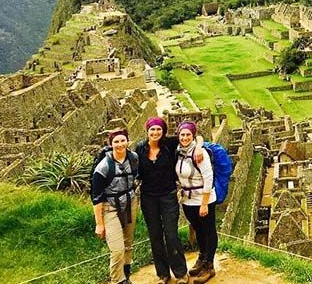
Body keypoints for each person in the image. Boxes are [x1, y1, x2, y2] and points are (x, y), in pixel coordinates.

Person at [135, 117, 203, 284]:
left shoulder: (170, 144)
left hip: (168, 195)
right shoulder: (140, 149)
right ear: (147, 131)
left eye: (159, 129)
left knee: (171, 234)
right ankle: (163, 274)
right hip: (148, 197)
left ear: (163, 131)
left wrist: (199, 147)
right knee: (155, 235)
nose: (155, 132)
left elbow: (197, 136)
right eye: (152, 129)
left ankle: (180, 273)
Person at [91, 128, 138, 284]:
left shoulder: (133, 158)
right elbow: (96, 197)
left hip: (130, 203)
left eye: (122, 140)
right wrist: (99, 224)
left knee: (128, 244)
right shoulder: (103, 167)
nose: (120, 144)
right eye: (116, 141)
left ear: (127, 141)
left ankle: (126, 277)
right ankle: (117, 280)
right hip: (109, 207)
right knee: (117, 249)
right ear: (111, 144)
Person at [176, 121, 218, 282]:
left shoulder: (200, 153)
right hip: (188, 200)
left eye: (188, 134)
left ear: (193, 136)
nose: (185, 137)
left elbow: (208, 178)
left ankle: (209, 266)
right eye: (182, 134)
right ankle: (202, 257)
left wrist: (204, 203)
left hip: (203, 198)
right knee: (198, 230)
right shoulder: (178, 151)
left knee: (208, 231)